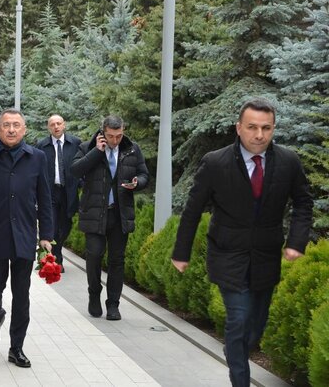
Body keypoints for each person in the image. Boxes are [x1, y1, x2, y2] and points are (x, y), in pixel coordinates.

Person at [171, 98, 313, 387]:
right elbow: (193, 209)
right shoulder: (215, 162)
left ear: (273, 129)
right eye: (252, 127)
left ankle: (236, 347)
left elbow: (303, 202)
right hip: (228, 254)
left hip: (266, 256)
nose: (259, 135)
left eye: (266, 128)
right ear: (239, 128)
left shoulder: (288, 161)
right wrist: (181, 252)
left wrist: (296, 241)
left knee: (253, 328)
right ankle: (240, 380)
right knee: (238, 318)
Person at [0, 108, 54, 368]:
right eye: (6, 125)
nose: (11, 129)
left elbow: (45, 198)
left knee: (22, 295)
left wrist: (46, 236)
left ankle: (16, 347)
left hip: (25, 236)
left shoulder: (37, 158)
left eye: (16, 125)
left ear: (24, 129)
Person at [71, 115, 149, 321]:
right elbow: (75, 170)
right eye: (111, 136)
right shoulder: (88, 146)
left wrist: (137, 182)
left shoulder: (132, 149)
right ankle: (94, 295)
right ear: (103, 133)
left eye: (119, 135)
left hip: (119, 213)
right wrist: (97, 152)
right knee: (94, 255)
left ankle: (113, 304)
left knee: (117, 260)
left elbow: (144, 174)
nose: (115, 140)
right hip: (95, 212)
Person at [35, 114, 81, 271]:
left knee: (65, 226)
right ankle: (55, 260)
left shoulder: (75, 143)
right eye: (52, 124)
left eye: (59, 123)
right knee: (52, 227)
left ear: (64, 125)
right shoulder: (42, 145)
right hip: (50, 192)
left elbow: (82, 165)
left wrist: (80, 183)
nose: (56, 127)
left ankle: (57, 251)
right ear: (48, 127)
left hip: (68, 191)